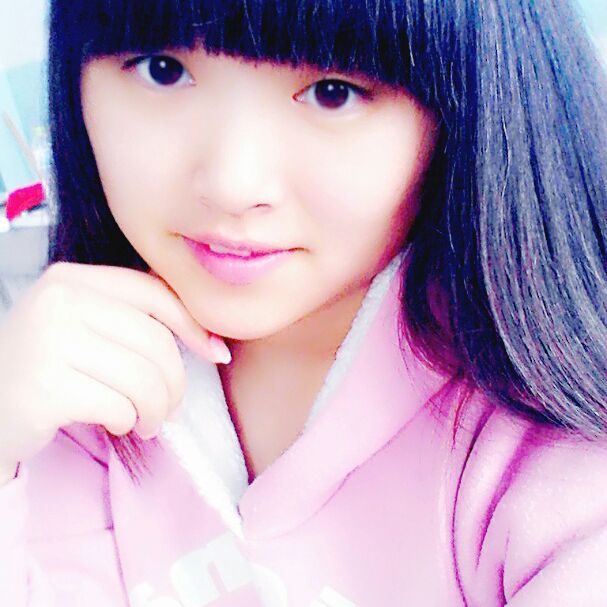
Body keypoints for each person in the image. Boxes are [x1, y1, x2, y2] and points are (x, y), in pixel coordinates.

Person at [0, 0, 606, 604]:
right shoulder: (68, 391)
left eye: (332, 92)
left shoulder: (548, 449)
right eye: (163, 69)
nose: (233, 185)